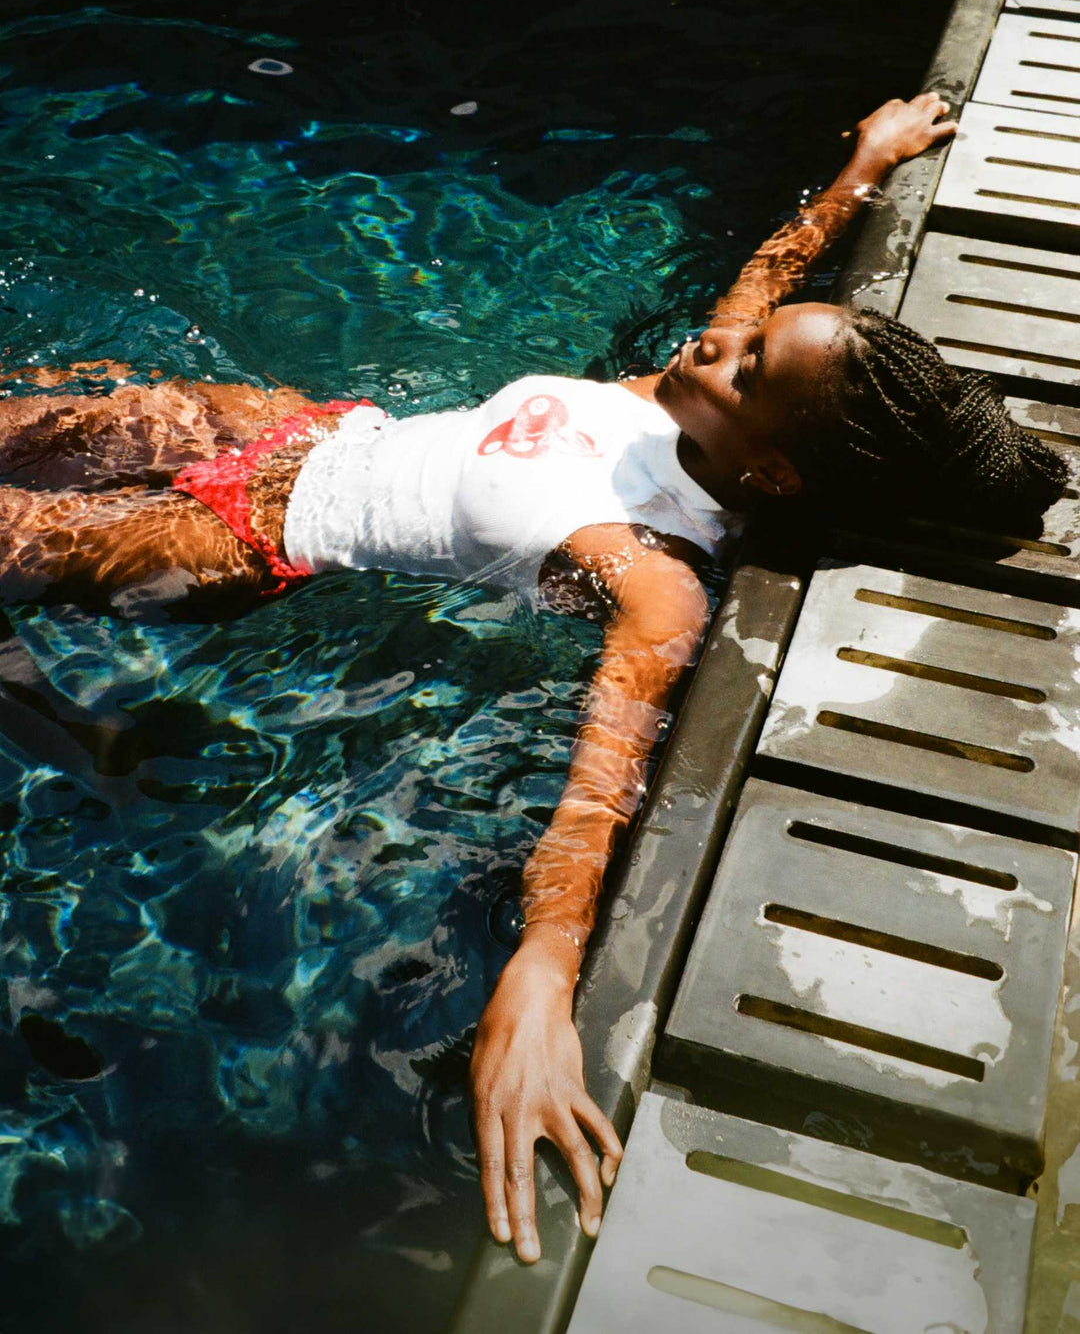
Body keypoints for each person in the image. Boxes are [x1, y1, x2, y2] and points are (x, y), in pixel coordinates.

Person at [0, 94, 1067, 1264]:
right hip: (305, 434)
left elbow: (600, 782)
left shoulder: (654, 571)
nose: (723, 342)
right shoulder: (679, 397)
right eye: (751, 337)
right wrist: (863, 165)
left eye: (752, 367)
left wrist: (546, 966)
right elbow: (764, 282)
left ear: (773, 469)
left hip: (233, 544)